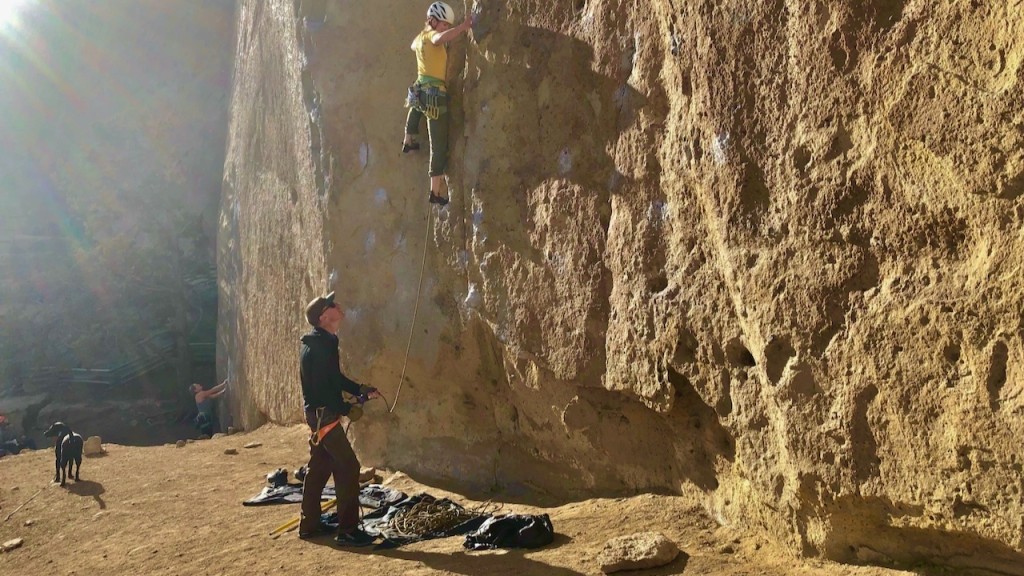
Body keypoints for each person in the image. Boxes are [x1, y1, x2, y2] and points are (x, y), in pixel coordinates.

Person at [298, 291, 382, 546]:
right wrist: (345, 409)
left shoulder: (321, 341)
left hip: (318, 413)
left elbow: (334, 378)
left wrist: (360, 389)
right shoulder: (322, 345)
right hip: (324, 415)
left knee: (320, 466)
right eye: (332, 305)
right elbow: (325, 387)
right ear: (324, 317)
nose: (338, 306)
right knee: (348, 466)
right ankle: (348, 531)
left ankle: (310, 524)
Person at [402, 1, 475, 206]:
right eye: (444, 24)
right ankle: (435, 192)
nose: (446, 28)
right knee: (439, 145)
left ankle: (408, 139)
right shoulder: (433, 36)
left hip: (420, 89)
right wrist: (462, 27)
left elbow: (414, 45)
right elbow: (439, 38)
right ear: (433, 21)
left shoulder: (419, 38)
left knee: (415, 107)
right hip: (435, 95)